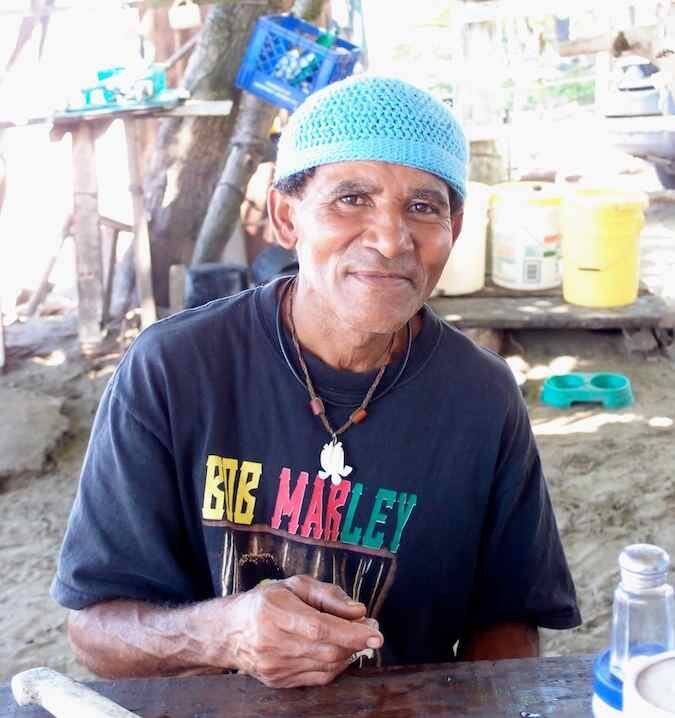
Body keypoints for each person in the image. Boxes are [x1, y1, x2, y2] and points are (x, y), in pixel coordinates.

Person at [52, 75, 581, 688]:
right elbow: (96, 632)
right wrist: (225, 633)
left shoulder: (482, 398)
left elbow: (508, 623)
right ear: (286, 217)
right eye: (351, 198)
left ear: (452, 230)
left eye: (422, 206)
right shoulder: (174, 370)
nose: (390, 239)